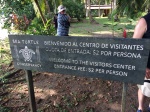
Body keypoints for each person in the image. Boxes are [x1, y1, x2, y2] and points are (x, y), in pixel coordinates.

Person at [132, 11, 150, 112]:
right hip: (147, 66)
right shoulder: (144, 21)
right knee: (143, 88)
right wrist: (143, 66)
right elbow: (134, 46)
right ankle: (140, 108)